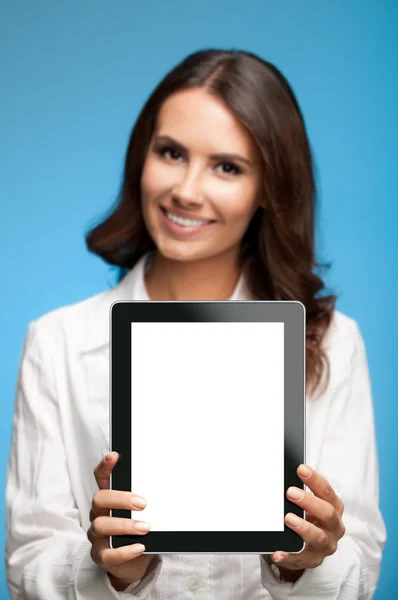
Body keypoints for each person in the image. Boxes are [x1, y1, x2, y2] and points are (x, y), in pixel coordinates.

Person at [6, 48, 386, 599]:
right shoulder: (58, 342)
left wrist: (304, 563)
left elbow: (362, 566)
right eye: (171, 153)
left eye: (227, 167)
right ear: (142, 156)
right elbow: (28, 563)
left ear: (268, 190)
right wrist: (115, 571)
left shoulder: (330, 341)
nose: (186, 190)